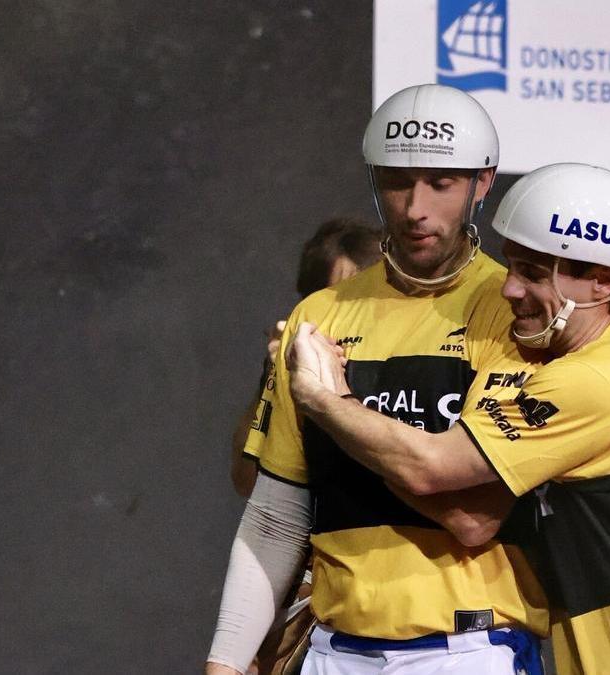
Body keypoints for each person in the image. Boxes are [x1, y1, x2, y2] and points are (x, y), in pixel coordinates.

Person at [285, 163, 610, 674]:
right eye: (512, 266)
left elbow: (429, 470)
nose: (509, 289)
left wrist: (329, 399)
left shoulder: (597, 380)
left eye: (534, 274)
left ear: (602, 282)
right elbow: (465, 513)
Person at [206, 84, 548, 675]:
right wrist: (225, 665)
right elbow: (275, 516)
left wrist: (338, 407)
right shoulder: (318, 316)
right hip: (334, 652)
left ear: (483, 183)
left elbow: (475, 516)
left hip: (469, 652)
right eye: (396, 181)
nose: (416, 208)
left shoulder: (512, 312)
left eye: (440, 184)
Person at [225, 217, 381, 675]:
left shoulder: (418, 363)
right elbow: (246, 478)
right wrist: (274, 380)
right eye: (343, 299)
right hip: (310, 592)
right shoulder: (298, 357)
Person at [230, 217, 383, 500]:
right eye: (350, 302)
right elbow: (247, 482)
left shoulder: (428, 359)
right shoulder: (302, 372)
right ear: (310, 309)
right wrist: (274, 378)